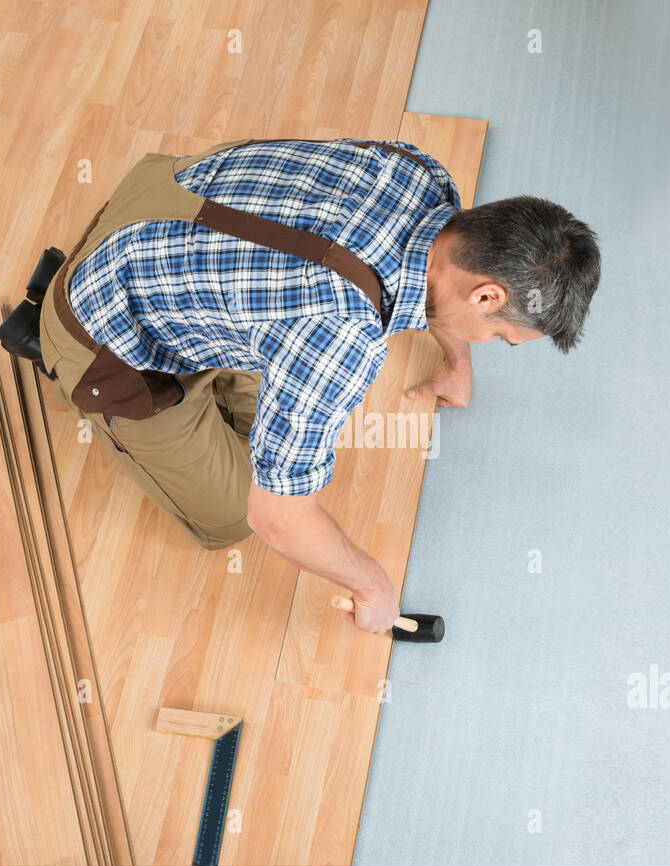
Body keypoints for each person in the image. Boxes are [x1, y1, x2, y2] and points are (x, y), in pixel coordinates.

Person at [39, 138, 600, 635]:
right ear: (486, 297)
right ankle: (48, 344)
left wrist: (455, 356)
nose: (487, 343)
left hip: (155, 208)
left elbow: (433, 294)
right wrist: (374, 586)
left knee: (278, 417)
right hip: (108, 330)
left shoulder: (422, 177)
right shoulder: (340, 333)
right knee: (236, 514)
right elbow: (277, 518)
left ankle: (203, 377)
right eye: (497, 337)